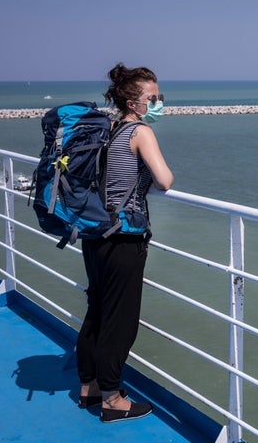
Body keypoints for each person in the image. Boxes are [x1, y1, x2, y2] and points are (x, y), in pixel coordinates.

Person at [76, 63, 174, 423]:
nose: (159, 103)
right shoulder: (139, 131)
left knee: (97, 310)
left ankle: (89, 389)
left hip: (94, 235)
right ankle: (113, 399)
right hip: (123, 240)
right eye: (154, 98)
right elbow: (164, 180)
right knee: (121, 321)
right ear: (134, 102)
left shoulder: (111, 128)